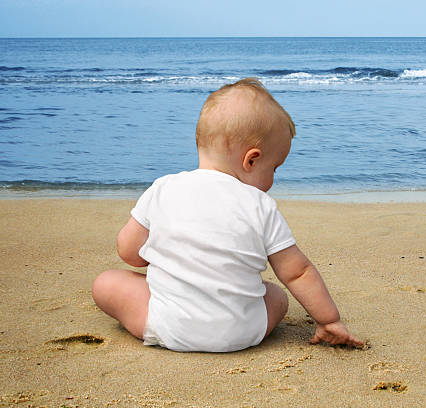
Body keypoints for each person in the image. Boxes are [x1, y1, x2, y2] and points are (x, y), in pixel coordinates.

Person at [92, 78, 363, 352]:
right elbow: (298, 273)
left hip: (169, 326)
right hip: (243, 333)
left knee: (107, 283)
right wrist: (329, 320)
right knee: (277, 296)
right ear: (252, 160)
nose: (273, 178)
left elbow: (129, 252)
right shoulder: (260, 204)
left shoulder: (164, 188)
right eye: (275, 168)